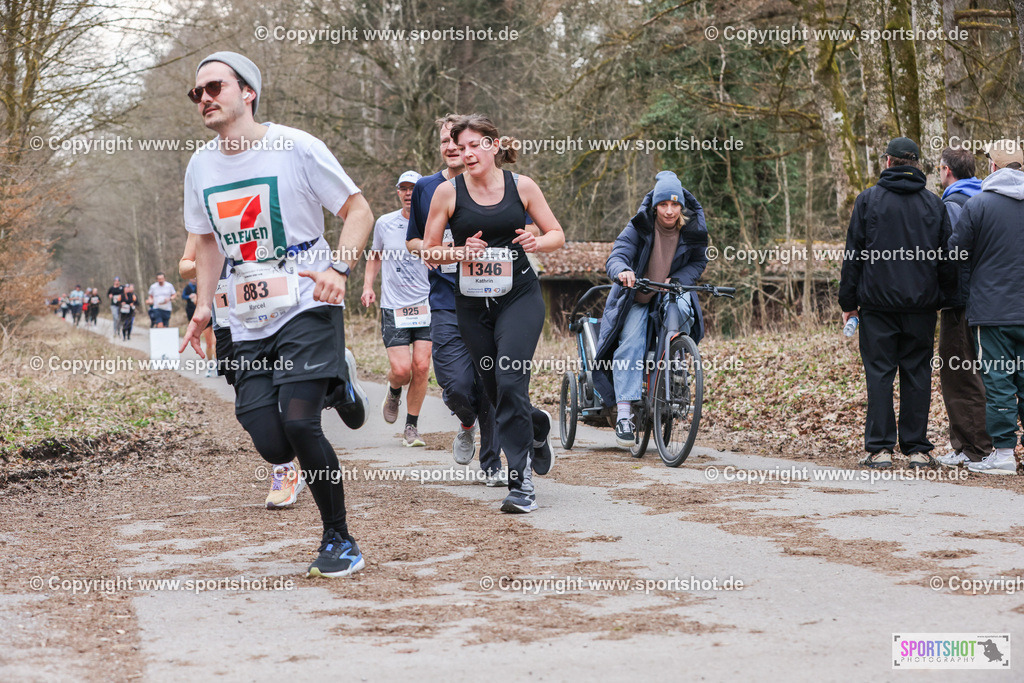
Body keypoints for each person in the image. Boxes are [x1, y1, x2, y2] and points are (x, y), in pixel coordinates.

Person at [180, 51, 374, 576]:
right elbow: (209, 242)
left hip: (306, 299)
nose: (204, 99)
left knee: (299, 423)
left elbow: (359, 210)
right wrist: (202, 306)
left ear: (248, 92)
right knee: (268, 436)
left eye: (214, 87)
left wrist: (340, 267)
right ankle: (339, 380)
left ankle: (339, 539)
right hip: (244, 313)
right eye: (196, 93)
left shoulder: (295, 147)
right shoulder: (200, 166)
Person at [422, 114, 564, 513]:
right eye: (459, 146)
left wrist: (537, 240)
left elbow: (557, 234)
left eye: (472, 145)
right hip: (472, 303)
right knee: (494, 389)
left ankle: (521, 483)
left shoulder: (522, 186)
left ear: (493, 145)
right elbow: (428, 248)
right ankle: (535, 425)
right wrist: (458, 253)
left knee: (509, 378)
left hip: (519, 296)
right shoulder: (447, 194)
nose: (465, 153)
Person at [839, 137, 956, 469]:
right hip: (920, 308)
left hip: (876, 306)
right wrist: (944, 298)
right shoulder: (935, 205)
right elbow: (947, 260)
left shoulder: (868, 201)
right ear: (917, 165)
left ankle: (879, 449)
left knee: (879, 374)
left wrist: (848, 302)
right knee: (917, 373)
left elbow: (853, 257)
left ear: (888, 162)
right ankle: (917, 449)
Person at [405, 114, 505, 485]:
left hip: (490, 298)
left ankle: (492, 462)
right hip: (446, 298)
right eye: (446, 142)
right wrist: (444, 249)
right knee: (457, 384)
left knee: (491, 380)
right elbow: (413, 241)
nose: (452, 148)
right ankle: (466, 420)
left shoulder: (494, 184)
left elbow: (523, 226)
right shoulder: (428, 188)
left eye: (459, 142)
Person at [593, 171, 709, 447]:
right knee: (631, 342)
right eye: (663, 205)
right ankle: (624, 415)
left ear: (681, 206)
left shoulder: (691, 231)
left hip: (668, 295)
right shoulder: (639, 227)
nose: (669, 211)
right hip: (638, 299)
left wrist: (677, 280)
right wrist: (623, 271)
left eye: (675, 205)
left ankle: (676, 360)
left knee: (683, 308)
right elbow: (618, 254)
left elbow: (698, 262)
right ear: (655, 206)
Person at [948, 139, 1024, 475]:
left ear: (993, 167)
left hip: (992, 311)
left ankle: (1005, 454)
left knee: (998, 382)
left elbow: (955, 251)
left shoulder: (979, 205)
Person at [362, 170, 432, 447]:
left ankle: (411, 428)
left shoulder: (434, 222)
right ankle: (394, 391)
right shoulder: (385, 223)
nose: (408, 193)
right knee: (402, 371)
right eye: (403, 188)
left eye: (413, 189)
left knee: (422, 366)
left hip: (426, 304)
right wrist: (368, 286)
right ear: (398, 192)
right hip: (394, 306)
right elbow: (375, 255)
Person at [935, 147, 991, 468]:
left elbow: (954, 255)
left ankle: (973, 448)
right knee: (974, 372)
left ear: (946, 171)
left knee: (959, 373)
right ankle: (966, 445)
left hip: (960, 301)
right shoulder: (985, 197)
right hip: (983, 299)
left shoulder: (953, 204)